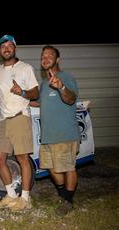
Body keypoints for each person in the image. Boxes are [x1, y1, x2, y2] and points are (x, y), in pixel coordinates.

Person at [0, 35, 39, 211]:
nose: (6, 49)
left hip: (20, 117)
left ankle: (25, 198)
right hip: (3, 121)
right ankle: (11, 194)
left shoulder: (25, 68)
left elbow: (35, 93)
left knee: (22, 158)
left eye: (10, 46)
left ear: (15, 48)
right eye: (3, 47)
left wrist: (22, 92)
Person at [39, 45, 80, 216]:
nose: (46, 58)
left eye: (50, 55)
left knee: (68, 167)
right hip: (48, 135)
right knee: (50, 168)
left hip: (65, 134)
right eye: (43, 56)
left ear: (57, 60)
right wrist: (21, 97)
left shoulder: (65, 77)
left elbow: (71, 99)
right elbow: (41, 103)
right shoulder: (43, 83)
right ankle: (64, 195)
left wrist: (61, 87)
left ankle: (68, 200)